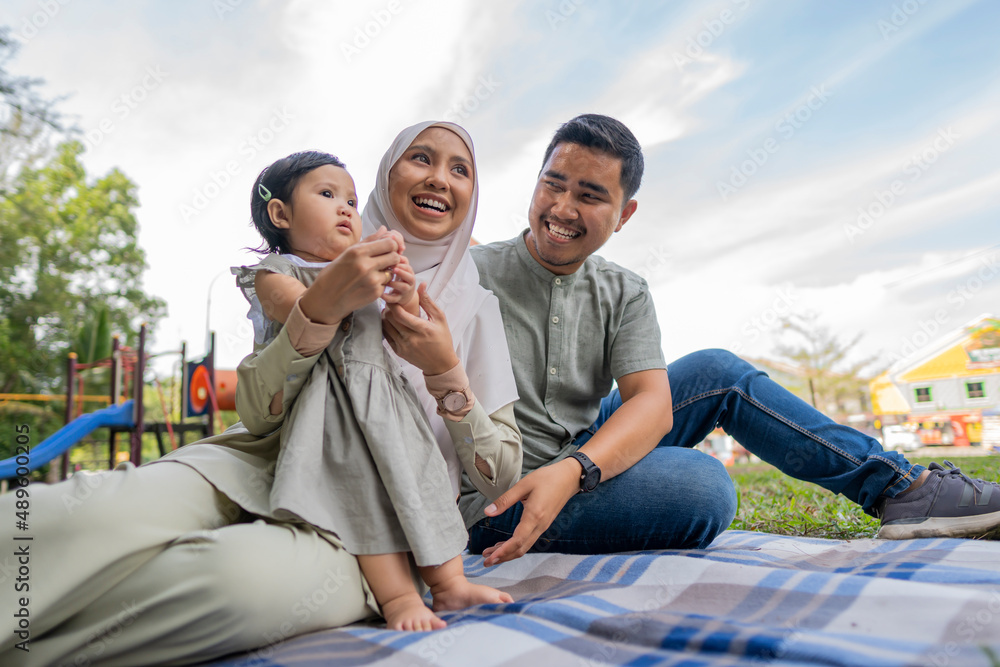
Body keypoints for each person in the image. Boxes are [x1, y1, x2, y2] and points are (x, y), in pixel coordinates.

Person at [0, 121, 520, 665]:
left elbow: (502, 476)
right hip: (256, 461)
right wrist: (317, 309)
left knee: (228, 581)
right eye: (420, 158)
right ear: (386, 175)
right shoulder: (316, 256)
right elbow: (255, 410)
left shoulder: (476, 307)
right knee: (66, 518)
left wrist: (445, 375)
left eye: (459, 169)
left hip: (380, 515)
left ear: (472, 193)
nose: (439, 178)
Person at [460, 113, 1000, 566]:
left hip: (575, 456)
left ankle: (904, 492)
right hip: (500, 494)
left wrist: (575, 470)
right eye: (553, 183)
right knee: (702, 488)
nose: (562, 208)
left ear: (624, 215)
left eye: (590, 195)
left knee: (716, 369)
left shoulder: (624, 291)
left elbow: (652, 402)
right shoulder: (466, 272)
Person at [233, 148, 513, 631]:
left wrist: (403, 290)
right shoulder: (278, 271)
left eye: (350, 198)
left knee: (422, 481)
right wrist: (343, 284)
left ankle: (449, 584)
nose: (345, 208)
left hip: (388, 405)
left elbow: (397, 321)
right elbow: (298, 308)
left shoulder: (460, 293)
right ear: (280, 214)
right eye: (327, 195)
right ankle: (400, 598)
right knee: (365, 494)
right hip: (334, 410)